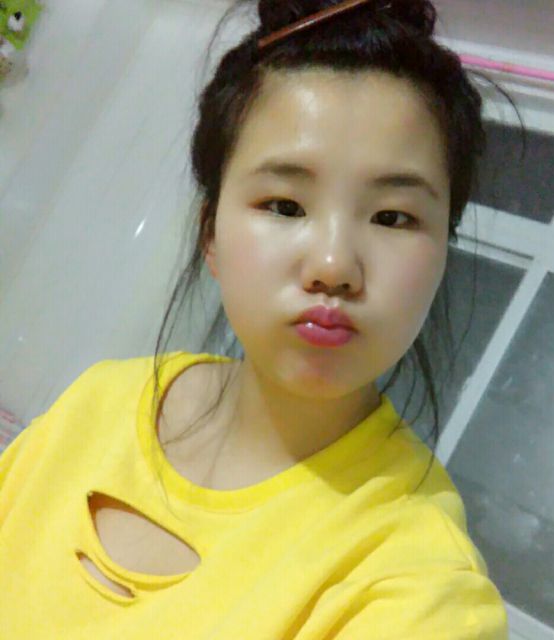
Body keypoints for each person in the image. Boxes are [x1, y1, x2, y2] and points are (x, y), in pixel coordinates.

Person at [0, 0, 519, 637]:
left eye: (393, 217)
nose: (334, 266)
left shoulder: (416, 583)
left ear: (442, 256)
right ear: (210, 234)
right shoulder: (100, 399)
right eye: (284, 205)